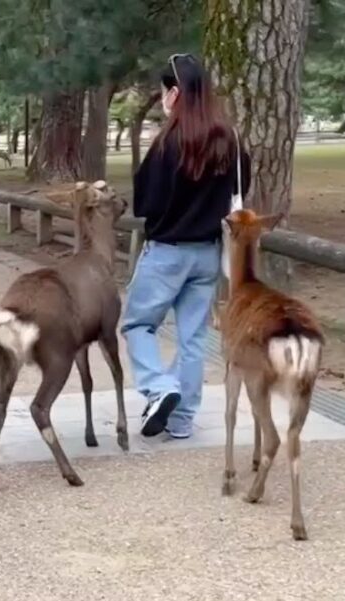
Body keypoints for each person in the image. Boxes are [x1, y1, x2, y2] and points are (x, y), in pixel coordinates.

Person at [121, 53, 250, 440]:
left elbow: (145, 204)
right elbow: (240, 193)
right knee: (193, 337)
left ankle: (160, 388)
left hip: (166, 252)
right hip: (208, 253)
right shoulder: (231, 141)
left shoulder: (167, 144)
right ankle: (181, 420)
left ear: (173, 93)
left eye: (163, 92)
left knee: (138, 325)